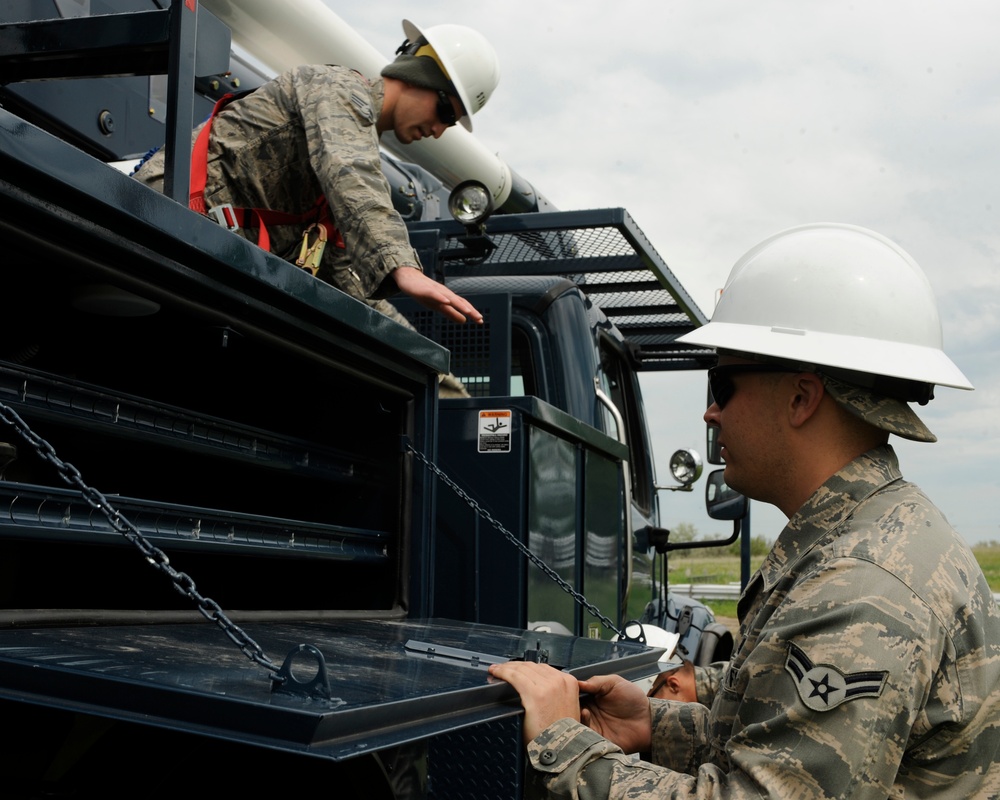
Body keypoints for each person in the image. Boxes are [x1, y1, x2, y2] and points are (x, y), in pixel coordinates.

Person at [489, 223, 1000, 798]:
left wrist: (568, 746)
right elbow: (787, 729)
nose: (710, 413)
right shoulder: (870, 538)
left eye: (722, 383)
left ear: (801, 398)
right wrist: (652, 723)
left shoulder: (861, 587)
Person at [134, 19, 499, 325]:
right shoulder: (338, 90)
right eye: (446, 113)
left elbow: (342, 271)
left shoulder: (356, 141)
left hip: (203, 249)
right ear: (419, 75)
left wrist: (431, 364)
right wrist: (404, 268)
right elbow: (350, 170)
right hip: (162, 216)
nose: (438, 130)